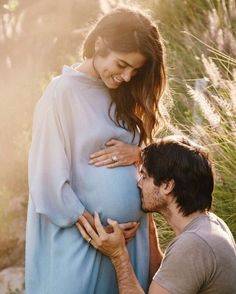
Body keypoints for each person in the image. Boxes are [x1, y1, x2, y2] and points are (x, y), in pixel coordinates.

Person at [25, 5, 166, 294]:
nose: (127, 77)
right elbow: (46, 176)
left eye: (135, 70)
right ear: (100, 43)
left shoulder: (127, 94)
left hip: (127, 243)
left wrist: (139, 153)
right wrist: (97, 232)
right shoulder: (61, 93)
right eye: (121, 64)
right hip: (81, 239)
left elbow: (154, 158)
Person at [78, 136, 236, 294]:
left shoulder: (193, 245)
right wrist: (150, 230)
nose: (139, 184)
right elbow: (167, 282)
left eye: (145, 177)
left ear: (167, 186)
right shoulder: (211, 226)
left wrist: (118, 255)